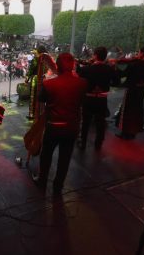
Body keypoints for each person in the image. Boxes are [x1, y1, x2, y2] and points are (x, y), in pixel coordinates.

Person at [34, 53, 87, 194]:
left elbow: (40, 99)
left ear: (56, 66)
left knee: (46, 156)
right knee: (65, 158)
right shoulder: (82, 83)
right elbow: (81, 102)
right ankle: (58, 187)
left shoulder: (49, 84)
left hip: (53, 127)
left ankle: (42, 182)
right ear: (73, 65)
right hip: (72, 126)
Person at [77, 46, 118, 150]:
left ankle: (83, 142)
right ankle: (98, 143)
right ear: (105, 57)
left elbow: (79, 78)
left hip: (89, 98)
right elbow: (117, 82)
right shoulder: (109, 69)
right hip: (102, 99)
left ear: (95, 55)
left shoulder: (86, 69)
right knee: (100, 122)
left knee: (86, 122)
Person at [115, 45, 144, 139]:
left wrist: (115, 67)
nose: (138, 54)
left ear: (143, 53)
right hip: (141, 89)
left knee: (128, 110)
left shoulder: (136, 64)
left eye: (139, 52)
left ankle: (125, 132)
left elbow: (123, 74)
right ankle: (133, 132)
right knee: (137, 110)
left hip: (132, 89)